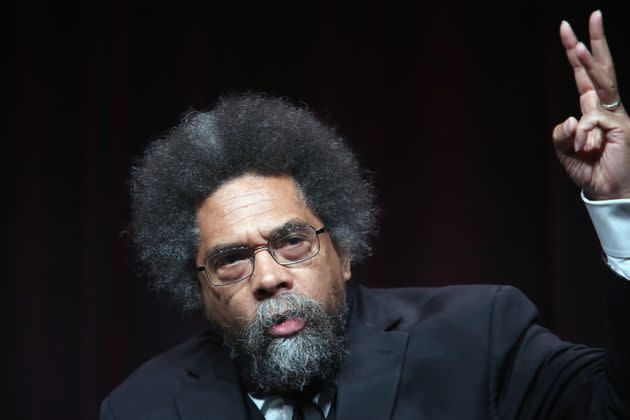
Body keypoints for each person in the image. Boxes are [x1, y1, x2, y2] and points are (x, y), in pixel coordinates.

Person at [100, 10, 629, 419]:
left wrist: (620, 201)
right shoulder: (141, 406)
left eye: (292, 241)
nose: (268, 277)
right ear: (200, 290)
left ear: (344, 251)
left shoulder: (481, 338)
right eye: (231, 260)